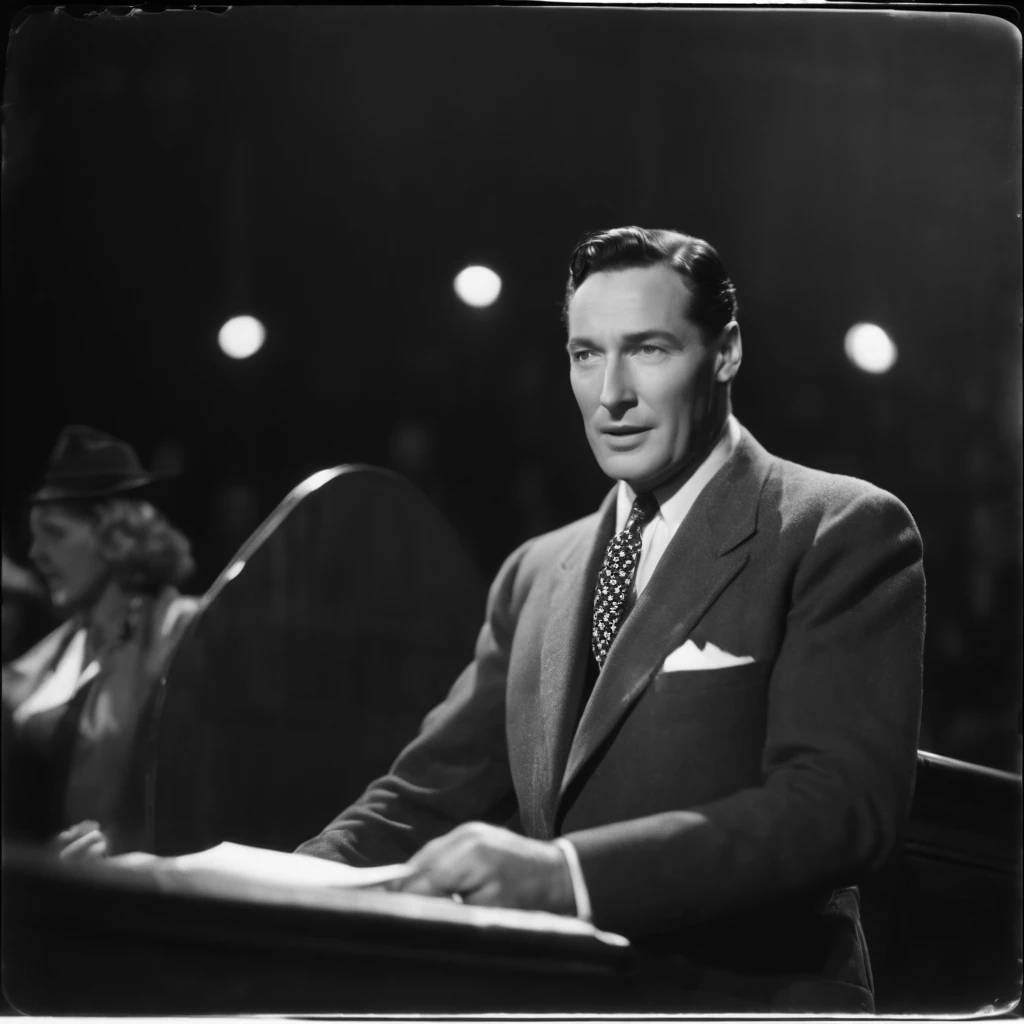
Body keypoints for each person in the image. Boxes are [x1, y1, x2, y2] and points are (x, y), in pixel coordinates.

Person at [296, 227, 925, 1012]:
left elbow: (838, 810)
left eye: (649, 350)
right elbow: (422, 799)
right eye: (585, 354)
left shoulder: (840, 529)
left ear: (725, 352)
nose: (610, 394)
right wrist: (271, 884)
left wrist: (567, 878)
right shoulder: (535, 571)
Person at [1, 426, 201, 857]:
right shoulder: (56, 647)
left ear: (116, 536)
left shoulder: (178, 630)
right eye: (34, 536)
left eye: (55, 534)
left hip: (113, 899)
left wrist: (123, 840)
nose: (34, 553)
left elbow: (199, 788)